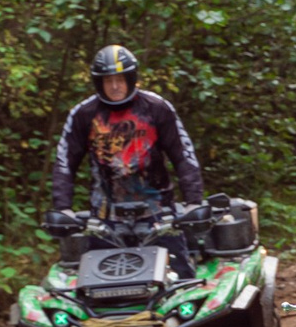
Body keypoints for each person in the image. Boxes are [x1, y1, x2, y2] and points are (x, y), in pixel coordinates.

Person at [48, 45, 204, 223]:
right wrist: (63, 208)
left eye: (120, 79)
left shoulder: (157, 108)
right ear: (99, 82)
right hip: (105, 216)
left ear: (131, 79)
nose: (115, 86)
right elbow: (65, 162)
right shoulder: (83, 114)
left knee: (173, 251)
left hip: (159, 212)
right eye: (108, 81)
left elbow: (183, 155)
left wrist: (193, 202)